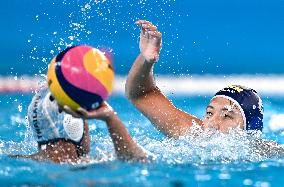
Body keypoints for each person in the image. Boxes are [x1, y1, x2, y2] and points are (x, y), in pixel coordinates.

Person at [125, 20, 264, 138]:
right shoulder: (196, 135)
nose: (212, 124)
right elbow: (140, 94)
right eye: (209, 113)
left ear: (250, 128)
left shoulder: (266, 153)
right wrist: (146, 60)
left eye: (227, 116)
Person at [13, 88, 148, 163]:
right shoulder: (91, 169)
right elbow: (139, 162)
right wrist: (110, 118)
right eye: (85, 120)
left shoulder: (17, 160)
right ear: (72, 127)